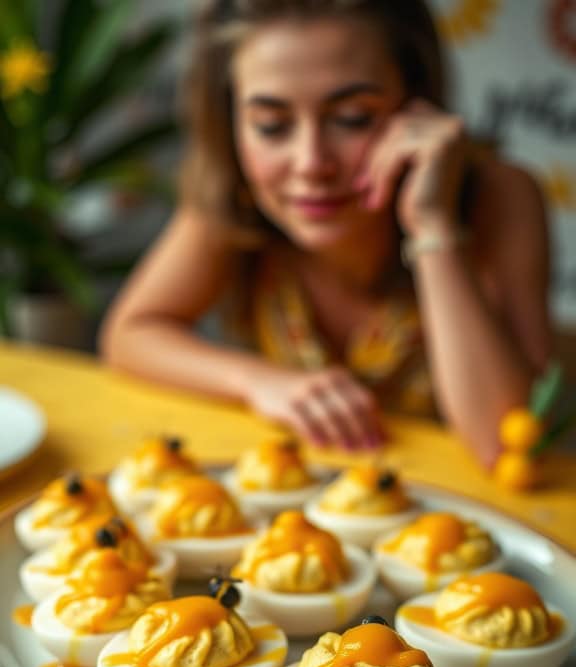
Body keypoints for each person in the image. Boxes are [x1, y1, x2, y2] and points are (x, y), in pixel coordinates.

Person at [100, 0, 553, 467]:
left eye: (353, 118)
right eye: (271, 126)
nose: (312, 163)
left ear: (417, 104)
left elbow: (509, 441)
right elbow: (130, 333)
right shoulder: (236, 192)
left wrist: (432, 224)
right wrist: (258, 381)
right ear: (231, 122)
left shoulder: (500, 195)